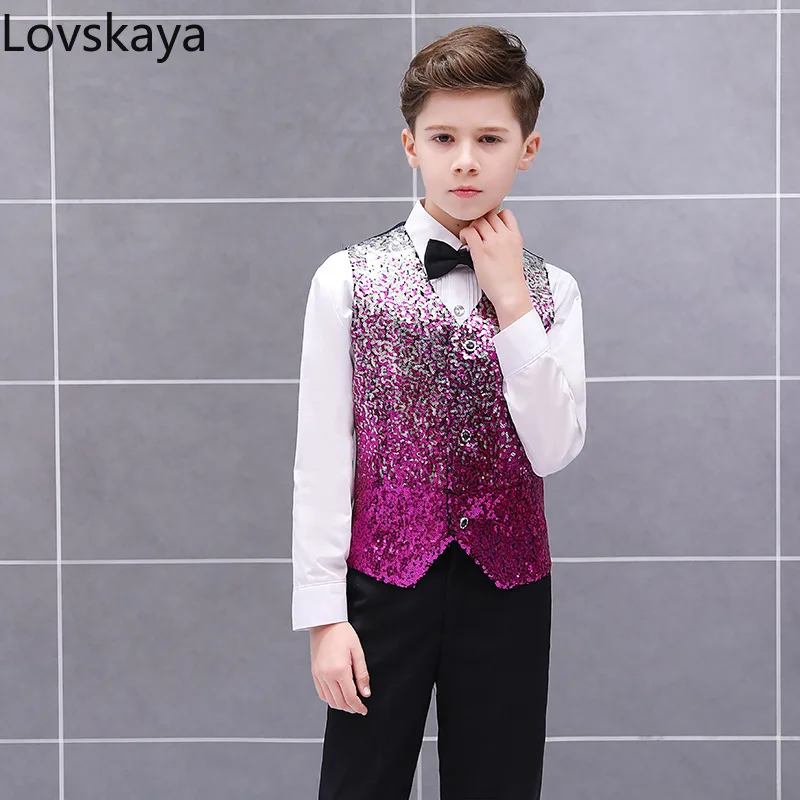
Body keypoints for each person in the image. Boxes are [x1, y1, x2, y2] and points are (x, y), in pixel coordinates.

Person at [291, 23, 587, 800]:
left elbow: (553, 449)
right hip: (381, 585)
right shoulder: (344, 280)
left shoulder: (554, 291)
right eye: (443, 137)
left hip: (509, 586)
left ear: (527, 149)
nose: (465, 161)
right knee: (359, 785)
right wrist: (324, 617)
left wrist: (513, 302)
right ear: (410, 145)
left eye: (489, 139)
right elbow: (322, 457)